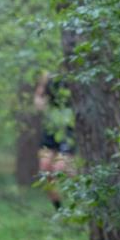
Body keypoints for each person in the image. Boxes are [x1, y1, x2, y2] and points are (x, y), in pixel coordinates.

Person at [35, 73, 76, 210]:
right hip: (51, 130)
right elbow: (38, 98)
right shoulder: (48, 76)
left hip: (68, 131)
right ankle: (58, 209)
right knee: (45, 170)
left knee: (60, 169)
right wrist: (40, 101)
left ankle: (76, 203)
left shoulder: (73, 74)